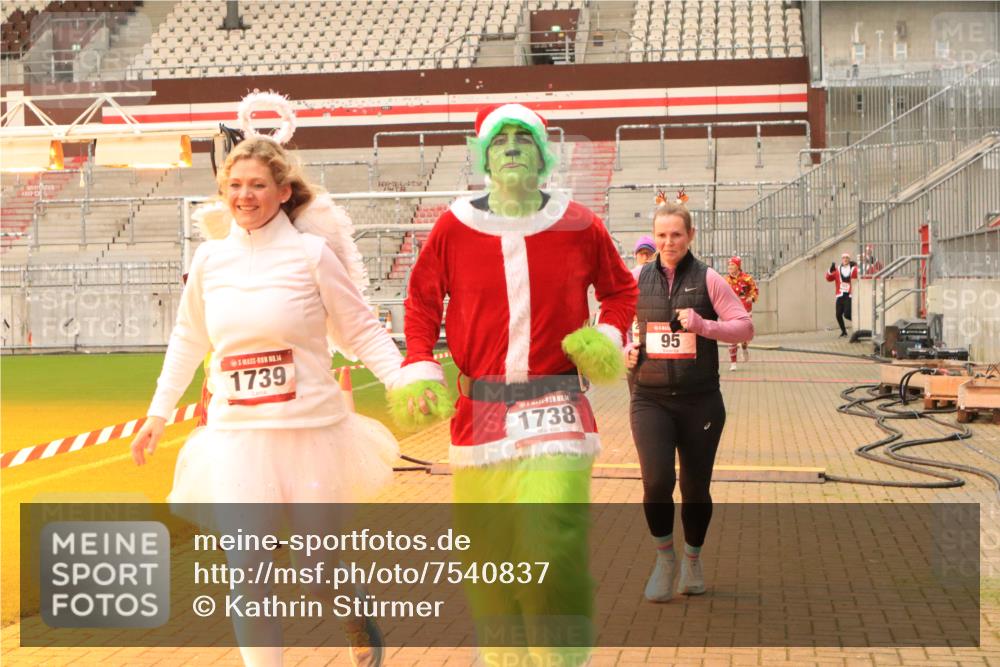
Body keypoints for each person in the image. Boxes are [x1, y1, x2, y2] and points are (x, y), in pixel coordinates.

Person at [129, 97, 444, 667]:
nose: (244, 196)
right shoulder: (208, 263)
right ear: (223, 194)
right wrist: (157, 412)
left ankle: (350, 607)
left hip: (310, 433)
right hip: (237, 436)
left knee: (314, 568)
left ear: (281, 192)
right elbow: (187, 339)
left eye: (256, 185)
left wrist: (404, 379)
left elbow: (363, 330)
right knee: (248, 573)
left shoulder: (311, 255)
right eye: (235, 186)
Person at [399, 103, 637, 665]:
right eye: (500, 139)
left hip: (554, 400)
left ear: (542, 154)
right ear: (483, 155)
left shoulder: (579, 222)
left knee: (545, 543)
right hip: (479, 405)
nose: (511, 147)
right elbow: (422, 302)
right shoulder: (454, 225)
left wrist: (604, 334)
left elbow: (621, 290)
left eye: (523, 139)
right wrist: (418, 363)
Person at [625, 198, 753, 602]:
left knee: (695, 488)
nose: (668, 242)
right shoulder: (635, 278)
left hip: (700, 401)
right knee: (657, 482)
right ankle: (665, 560)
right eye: (661, 235)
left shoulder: (710, 278)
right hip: (650, 399)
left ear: (690, 235)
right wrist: (623, 350)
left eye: (676, 235)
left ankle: (692, 560)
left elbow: (744, 328)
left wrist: (702, 325)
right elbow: (610, 327)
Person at [723, 255, 758, 371]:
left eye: (732, 265)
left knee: (745, 335)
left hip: (745, 311)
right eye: (729, 265)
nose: (729, 267)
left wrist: (751, 298)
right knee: (731, 336)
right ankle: (733, 363)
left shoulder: (747, 278)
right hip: (730, 312)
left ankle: (744, 347)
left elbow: (755, 290)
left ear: (738, 266)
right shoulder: (725, 280)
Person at [826, 252, 859, 337]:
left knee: (847, 314)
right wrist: (830, 270)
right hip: (840, 295)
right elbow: (828, 278)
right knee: (838, 314)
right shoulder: (837, 269)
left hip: (849, 295)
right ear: (842, 259)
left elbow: (861, 272)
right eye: (844, 258)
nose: (845, 259)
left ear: (849, 259)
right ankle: (844, 332)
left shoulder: (854, 268)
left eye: (847, 258)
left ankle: (859, 323)